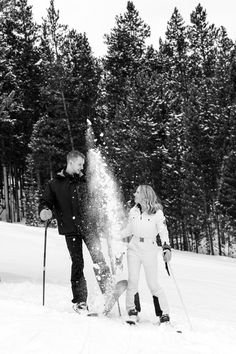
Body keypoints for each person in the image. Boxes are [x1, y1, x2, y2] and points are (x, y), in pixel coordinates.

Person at [39, 150, 112, 313]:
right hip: (71, 230)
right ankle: (80, 301)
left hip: (89, 227)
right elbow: (45, 202)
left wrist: (104, 216)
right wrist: (44, 211)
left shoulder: (86, 181)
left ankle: (108, 291)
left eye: (83, 164)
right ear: (70, 162)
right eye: (80, 164)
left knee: (98, 258)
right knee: (78, 263)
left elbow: (97, 201)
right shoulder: (55, 184)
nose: (82, 167)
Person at [121, 184, 172, 324]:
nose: (134, 194)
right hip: (134, 247)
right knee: (133, 280)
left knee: (153, 283)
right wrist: (114, 234)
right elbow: (129, 229)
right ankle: (132, 311)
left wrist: (166, 248)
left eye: (137, 192)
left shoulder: (157, 213)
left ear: (144, 195)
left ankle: (164, 314)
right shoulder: (134, 211)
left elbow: (163, 232)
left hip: (149, 248)